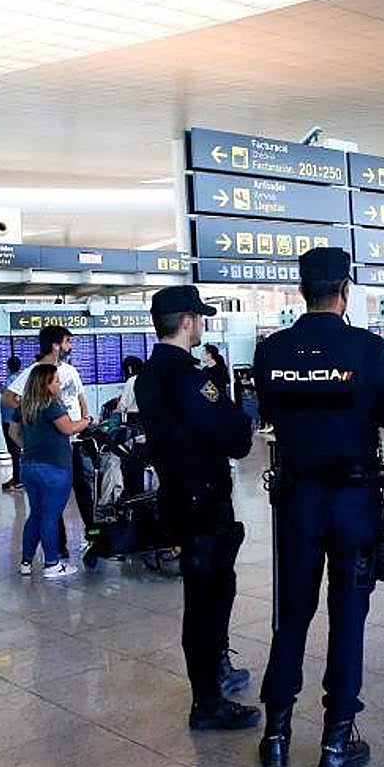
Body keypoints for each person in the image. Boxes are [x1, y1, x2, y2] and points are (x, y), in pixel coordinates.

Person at [254, 247, 384, 767]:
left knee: (291, 614)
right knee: (348, 617)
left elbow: (269, 411)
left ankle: (276, 734)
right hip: (355, 502)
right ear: (346, 289)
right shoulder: (367, 348)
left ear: (300, 290)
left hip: (297, 502)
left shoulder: (272, 351)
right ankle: (337, 742)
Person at [136, 285, 257, 732]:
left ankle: (215, 674)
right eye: (199, 318)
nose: (201, 325)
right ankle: (208, 701)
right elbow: (235, 434)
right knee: (209, 598)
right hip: (203, 500)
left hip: (177, 496)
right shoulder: (187, 376)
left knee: (205, 593)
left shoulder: (149, 375)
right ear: (187, 321)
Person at [3, 325, 91, 556]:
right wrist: (36, 417)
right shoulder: (36, 372)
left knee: (82, 490)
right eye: (67, 342)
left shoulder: (70, 371)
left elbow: (81, 398)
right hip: (54, 445)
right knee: (54, 502)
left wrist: (85, 418)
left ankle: (92, 535)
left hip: (74, 441)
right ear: (55, 345)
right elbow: (9, 397)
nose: (70, 347)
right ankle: (57, 550)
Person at [17, 363, 88, 578]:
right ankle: (52, 564)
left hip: (28, 466)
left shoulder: (24, 407)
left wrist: (32, 445)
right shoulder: (51, 404)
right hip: (54, 468)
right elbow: (69, 428)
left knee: (36, 515)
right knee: (50, 516)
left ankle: (26, 563)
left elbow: (14, 432)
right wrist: (86, 420)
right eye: (56, 380)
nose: (59, 384)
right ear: (46, 384)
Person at [0, 356, 24, 491]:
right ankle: (17, 477)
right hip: (14, 419)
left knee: (14, 450)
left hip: (10, 419)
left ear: (8, 367)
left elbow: (8, 396)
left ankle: (18, 479)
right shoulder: (19, 380)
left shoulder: (11, 381)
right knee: (15, 449)